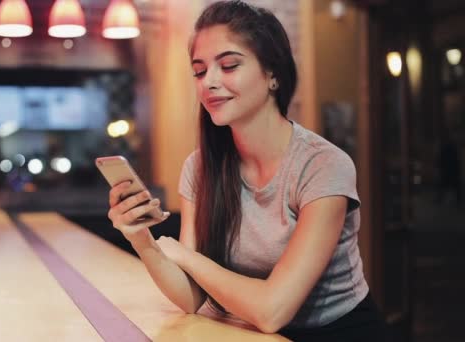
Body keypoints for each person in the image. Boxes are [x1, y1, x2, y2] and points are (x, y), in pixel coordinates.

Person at [106, 1, 388, 341]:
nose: (208, 82)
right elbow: (191, 297)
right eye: (199, 71)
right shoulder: (199, 167)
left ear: (272, 75)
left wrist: (186, 257)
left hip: (340, 334)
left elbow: (273, 310)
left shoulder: (323, 165)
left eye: (228, 65)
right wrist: (142, 239)